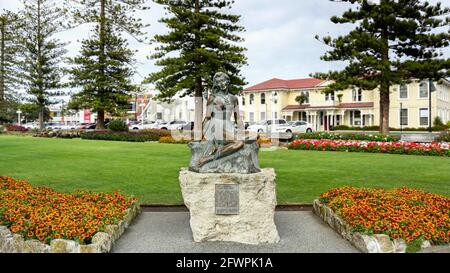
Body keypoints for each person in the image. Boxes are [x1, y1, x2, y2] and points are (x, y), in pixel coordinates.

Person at [194, 72, 245, 168]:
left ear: (228, 81)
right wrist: (199, 135)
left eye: (223, 80)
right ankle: (208, 158)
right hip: (216, 126)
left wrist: (242, 131)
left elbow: (238, 118)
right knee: (239, 143)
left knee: (254, 137)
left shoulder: (234, 98)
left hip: (229, 127)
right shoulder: (212, 98)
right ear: (216, 84)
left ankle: (218, 150)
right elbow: (207, 117)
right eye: (219, 82)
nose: (222, 83)